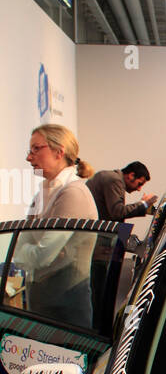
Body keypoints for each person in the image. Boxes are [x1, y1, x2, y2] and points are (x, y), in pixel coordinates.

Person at [17, 124, 99, 325]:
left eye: (36, 149)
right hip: (43, 303)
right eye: (30, 150)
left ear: (59, 152)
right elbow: (21, 246)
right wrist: (29, 251)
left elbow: (42, 256)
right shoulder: (43, 193)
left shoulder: (72, 193)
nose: (29, 157)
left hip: (65, 311)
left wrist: (29, 251)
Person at [87, 161, 156, 221]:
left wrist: (144, 207)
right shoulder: (115, 180)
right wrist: (144, 204)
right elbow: (118, 212)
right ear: (131, 175)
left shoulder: (111, 177)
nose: (139, 189)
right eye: (139, 184)